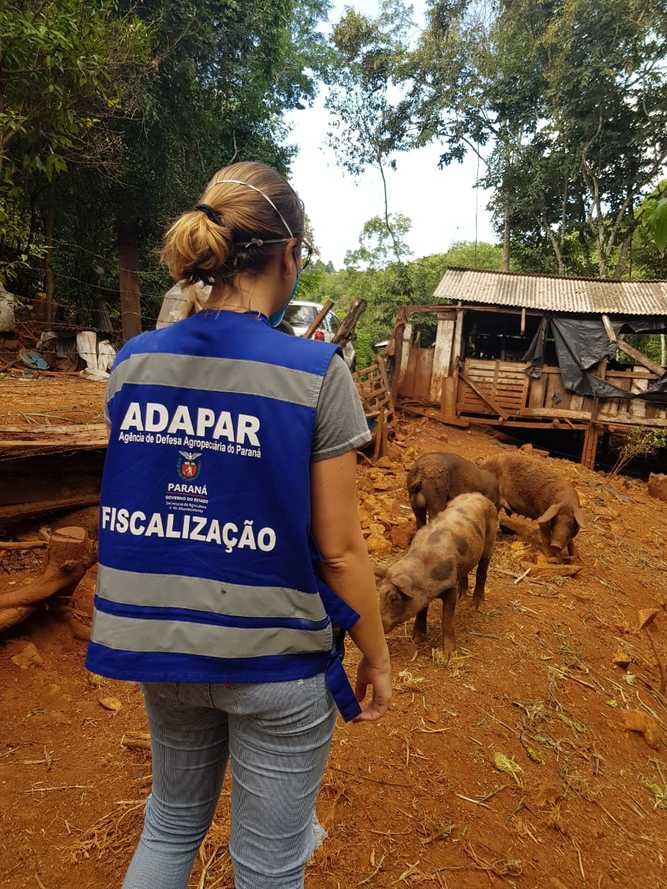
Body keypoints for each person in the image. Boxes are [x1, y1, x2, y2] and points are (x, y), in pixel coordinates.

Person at [86, 160, 392, 889]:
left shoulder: (133, 365)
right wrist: (376, 655)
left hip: (161, 647)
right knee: (267, 866)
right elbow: (341, 548)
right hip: (275, 661)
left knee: (169, 823)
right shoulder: (316, 374)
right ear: (289, 255)